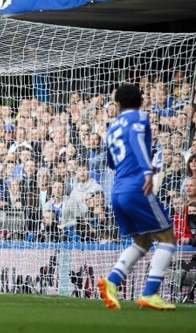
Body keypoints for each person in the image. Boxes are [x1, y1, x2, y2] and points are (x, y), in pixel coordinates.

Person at [99, 83, 176, 311]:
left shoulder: (112, 128)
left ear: (118, 104)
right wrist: (146, 170)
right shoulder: (139, 117)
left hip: (118, 189)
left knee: (142, 241)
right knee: (167, 239)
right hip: (137, 186)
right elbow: (134, 140)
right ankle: (150, 293)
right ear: (141, 101)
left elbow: (111, 161)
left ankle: (111, 282)